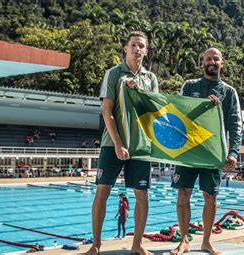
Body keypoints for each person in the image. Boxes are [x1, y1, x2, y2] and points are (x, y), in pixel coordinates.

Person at [84, 31, 158, 255]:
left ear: (146, 51)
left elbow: (154, 111)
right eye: (133, 45)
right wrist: (118, 143)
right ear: (125, 48)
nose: (137, 49)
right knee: (103, 191)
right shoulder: (114, 73)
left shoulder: (150, 79)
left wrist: (141, 93)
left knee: (141, 194)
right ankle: (96, 245)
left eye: (141, 46)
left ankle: (137, 245)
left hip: (141, 145)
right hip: (112, 143)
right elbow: (107, 111)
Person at [170, 48, 242, 255]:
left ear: (222, 63)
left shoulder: (229, 92)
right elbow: (177, 113)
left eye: (216, 58)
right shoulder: (189, 86)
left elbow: (235, 124)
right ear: (202, 62)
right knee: (183, 194)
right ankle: (184, 240)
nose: (212, 61)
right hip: (188, 150)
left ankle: (206, 242)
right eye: (208, 58)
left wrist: (233, 152)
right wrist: (204, 107)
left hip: (212, 153)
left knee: (210, 197)